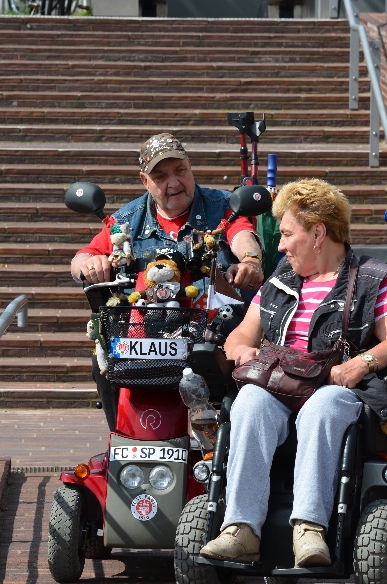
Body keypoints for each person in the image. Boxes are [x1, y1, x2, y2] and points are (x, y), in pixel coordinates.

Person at [199, 179, 387, 567]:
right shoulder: (282, 278)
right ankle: (241, 529)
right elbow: (240, 336)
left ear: (318, 233)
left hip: (337, 385)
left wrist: (362, 363)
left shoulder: (373, 278)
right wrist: (240, 350)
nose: (280, 245)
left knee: (324, 404)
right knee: (249, 400)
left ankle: (309, 529)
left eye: (287, 234)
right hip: (279, 384)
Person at [70, 133, 265, 430]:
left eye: (180, 171)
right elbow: (80, 259)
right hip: (148, 336)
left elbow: (241, 235)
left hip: (214, 334)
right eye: (161, 176)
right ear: (144, 181)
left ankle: (230, 446)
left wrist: (250, 262)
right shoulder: (127, 221)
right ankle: (124, 439)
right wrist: (89, 264)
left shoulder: (221, 205)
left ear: (191, 166)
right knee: (105, 361)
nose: (173, 183)